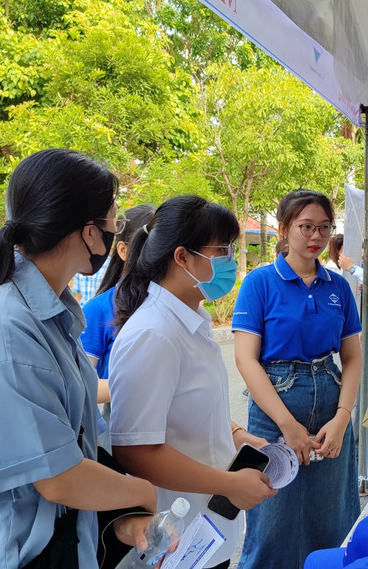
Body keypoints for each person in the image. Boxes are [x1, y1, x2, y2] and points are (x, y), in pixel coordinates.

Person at [0, 149, 158, 568]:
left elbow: (68, 439)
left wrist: (120, 517)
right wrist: (142, 493)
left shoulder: (47, 313)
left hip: (55, 543)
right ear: (89, 231)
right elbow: (58, 476)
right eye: (113, 219)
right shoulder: (4, 327)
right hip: (5, 555)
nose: (115, 230)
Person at [108, 195, 277, 569]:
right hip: (176, 542)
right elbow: (135, 449)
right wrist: (229, 484)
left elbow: (186, 409)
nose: (231, 261)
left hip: (207, 531)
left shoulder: (189, 320)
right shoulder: (154, 334)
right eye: (222, 250)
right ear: (182, 257)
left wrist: (235, 435)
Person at [233, 189, 362, 568]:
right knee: (271, 518)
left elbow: (352, 358)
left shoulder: (338, 285)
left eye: (324, 228)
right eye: (306, 226)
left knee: (331, 515)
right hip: (276, 404)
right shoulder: (259, 283)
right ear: (284, 228)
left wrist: (343, 418)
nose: (316, 237)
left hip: (330, 401)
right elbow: (245, 360)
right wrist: (286, 425)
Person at [80, 203, 156, 405]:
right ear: (123, 250)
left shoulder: (173, 303)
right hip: (120, 425)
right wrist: (149, 386)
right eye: (148, 247)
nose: (158, 256)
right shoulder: (98, 310)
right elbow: (83, 385)